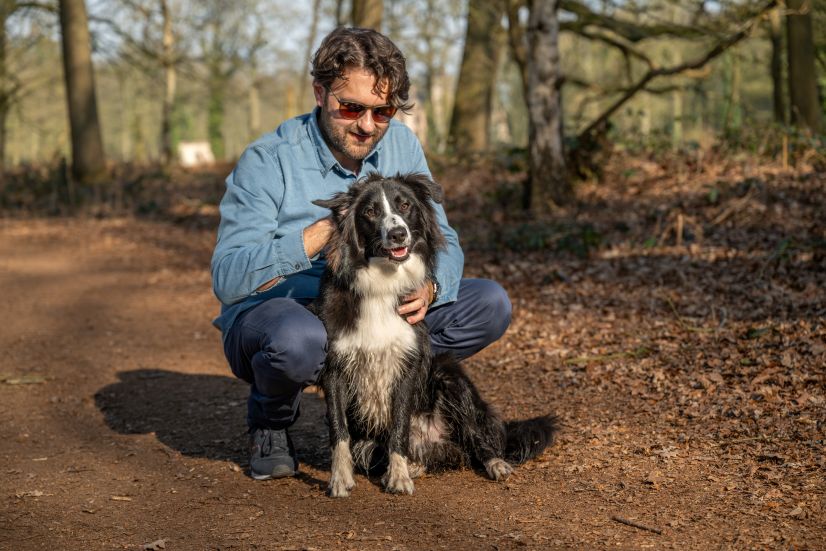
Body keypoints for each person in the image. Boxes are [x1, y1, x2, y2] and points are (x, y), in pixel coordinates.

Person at [211, 27, 512, 480]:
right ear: (319, 92)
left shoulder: (401, 144)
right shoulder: (268, 160)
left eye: (383, 110)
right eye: (351, 107)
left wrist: (431, 286)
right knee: (300, 341)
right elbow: (228, 279)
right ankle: (270, 421)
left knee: (488, 304)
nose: (367, 125)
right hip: (287, 316)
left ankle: (386, 408)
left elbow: (441, 237)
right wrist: (315, 237)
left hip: (378, 309)